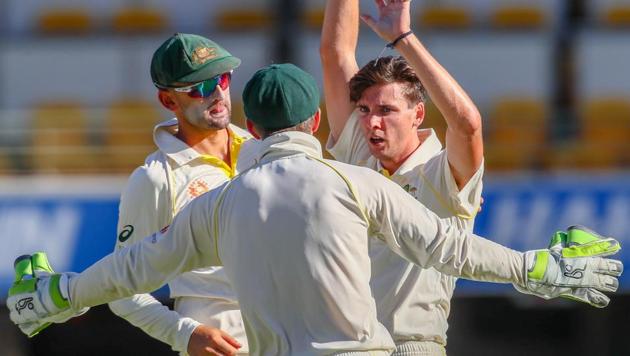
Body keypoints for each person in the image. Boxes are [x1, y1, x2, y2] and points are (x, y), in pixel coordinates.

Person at [7, 63, 622, 356]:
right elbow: (450, 248)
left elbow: (128, 271)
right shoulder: (353, 183)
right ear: (317, 123)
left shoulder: (218, 206)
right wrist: (540, 269)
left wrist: (58, 293)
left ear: (252, 127)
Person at [320, 1, 482, 354]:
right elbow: (335, 53)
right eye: (364, 110)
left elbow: (467, 124)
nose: (372, 122)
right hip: (350, 347)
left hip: (412, 346)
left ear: (417, 114)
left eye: (386, 111)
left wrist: (402, 37)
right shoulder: (361, 152)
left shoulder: (443, 174)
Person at [109, 33, 253, 356]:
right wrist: (183, 334)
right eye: (199, 87)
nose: (218, 93)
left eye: (223, 78)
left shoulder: (261, 150)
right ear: (168, 101)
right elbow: (121, 289)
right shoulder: (154, 179)